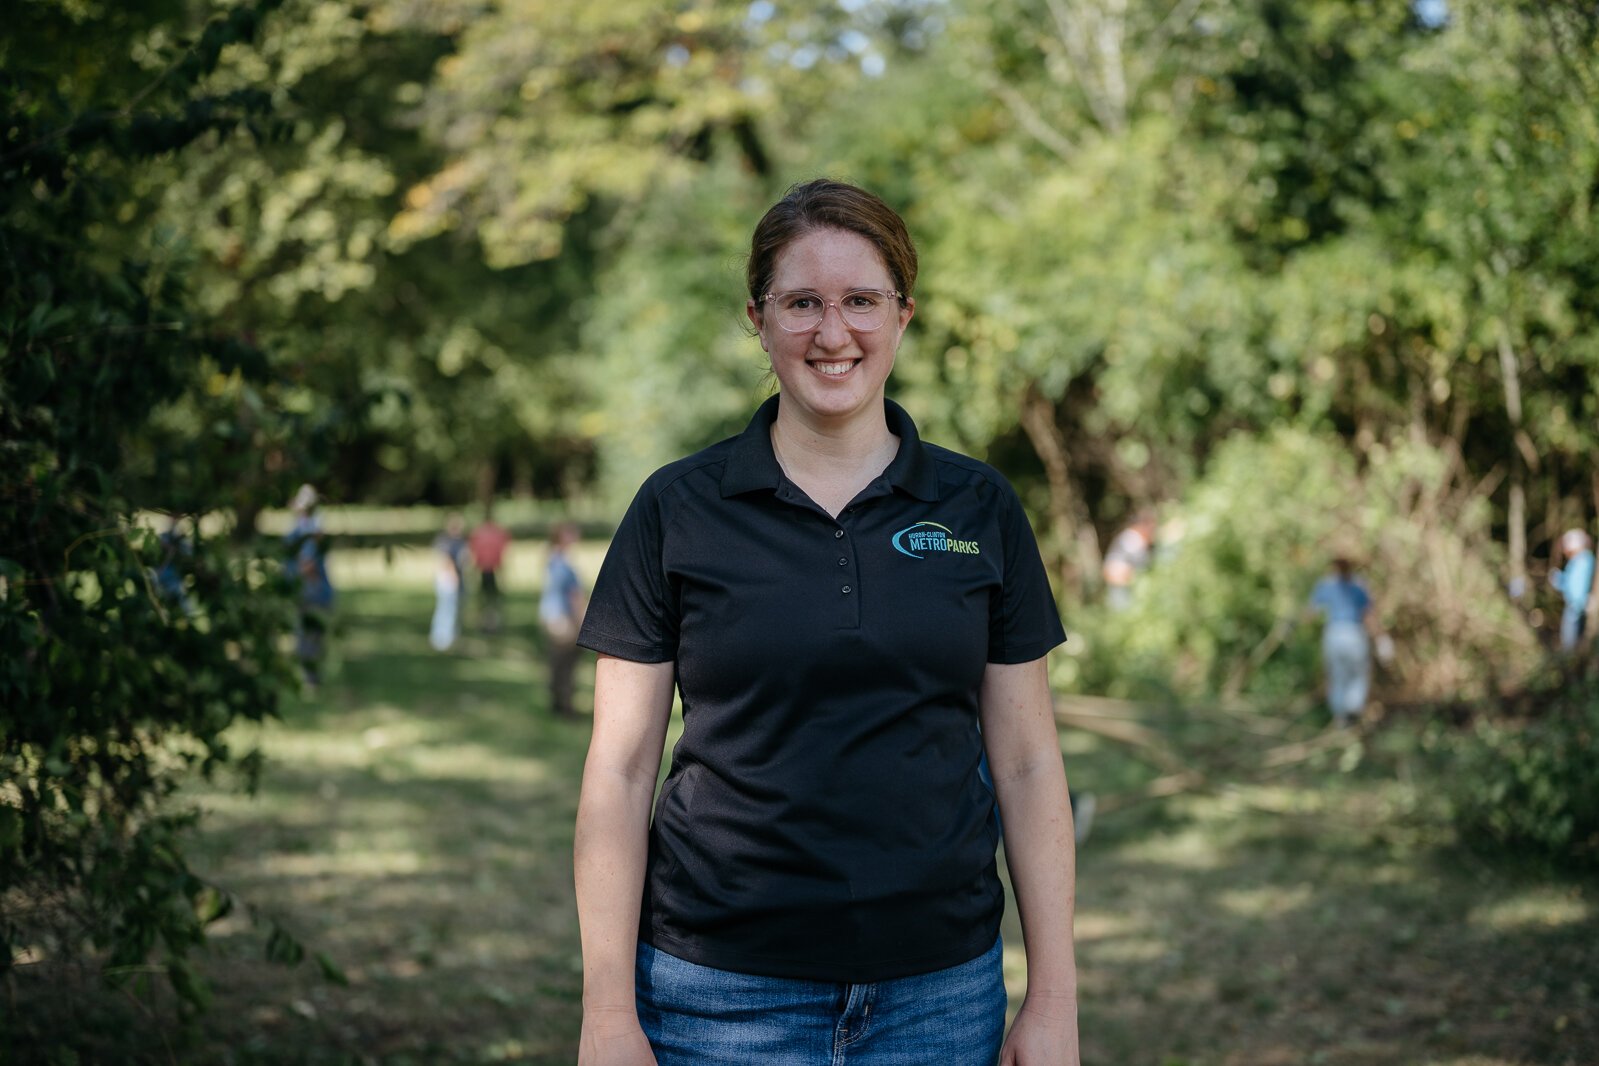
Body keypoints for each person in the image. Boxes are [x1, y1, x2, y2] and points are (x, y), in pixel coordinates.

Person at [573, 179, 1080, 1065]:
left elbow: (1029, 765)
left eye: (861, 301)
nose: (833, 332)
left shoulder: (979, 507)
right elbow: (617, 774)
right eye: (802, 302)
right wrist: (608, 1015)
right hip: (714, 998)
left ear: (903, 315)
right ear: (758, 319)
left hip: (940, 997)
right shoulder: (676, 510)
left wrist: (1054, 1001)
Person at [1308, 555, 1384, 728]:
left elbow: (1311, 612)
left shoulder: (1327, 585)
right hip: (1353, 634)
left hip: (1335, 634)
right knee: (1356, 675)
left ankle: (1342, 718)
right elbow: (1370, 615)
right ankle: (1351, 715)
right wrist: (1381, 638)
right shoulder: (1358, 585)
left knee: (1339, 676)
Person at [284, 484, 334, 688]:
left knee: (311, 636)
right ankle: (309, 677)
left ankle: (311, 677)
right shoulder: (300, 531)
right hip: (308, 590)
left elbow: (308, 564)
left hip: (313, 591)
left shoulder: (311, 531)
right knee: (308, 635)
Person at [540, 521, 587, 718]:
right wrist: (583, 620)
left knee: (557, 662)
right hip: (562, 619)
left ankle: (557, 701)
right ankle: (565, 706)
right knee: (567, 664)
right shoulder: (563, 565)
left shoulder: (552, 559)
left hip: (550, 616)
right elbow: (575, 596)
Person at [1550, 527, 1595, 652]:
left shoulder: (1583, 560)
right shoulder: (1578, 561)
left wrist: (1559, 581)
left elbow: (1576, 587)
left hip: (1576, 608)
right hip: (1575, 606)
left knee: (1570, 645)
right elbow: (1570, 583)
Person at [429, 513, 468, 652]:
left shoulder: (459, 541)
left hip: (455, 579)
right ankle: (442, 639)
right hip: (448, 580)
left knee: (452, 609)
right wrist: (454, 576)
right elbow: (446, 559)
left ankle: (450, 637)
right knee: (446, 609)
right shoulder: (445, 541)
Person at [469, 509, 513, 633]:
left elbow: (474, 551)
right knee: (491, 599)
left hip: (486, 569)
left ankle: (488, 623)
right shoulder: (498, 532)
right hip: (491, 569)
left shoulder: (479, 532)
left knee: (486, 599)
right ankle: (490, 623)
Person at [1101, 512, 1155, 611]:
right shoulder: (1132, 537)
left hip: (1121, 582)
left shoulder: (1128, 536)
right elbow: (1142, 562)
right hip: (1120, 582)